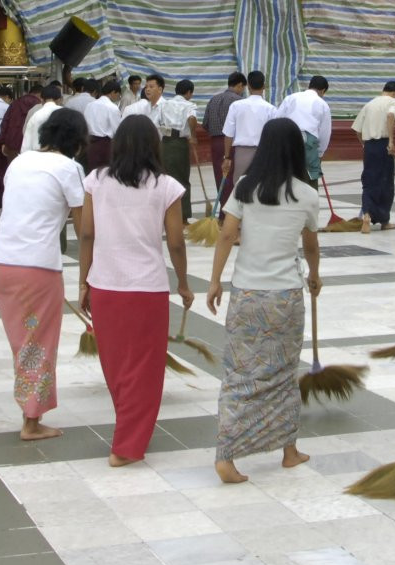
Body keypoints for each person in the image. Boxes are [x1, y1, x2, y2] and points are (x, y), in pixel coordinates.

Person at [208, 117, 323, 484]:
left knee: (240, 374)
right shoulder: (307, 194)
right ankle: (288, 450)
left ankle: (227, 455)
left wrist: (214, 282)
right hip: (285, 297)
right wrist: (314, 274)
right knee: (284, 372)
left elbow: (227, 236)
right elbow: (311, 243)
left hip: (247, 294)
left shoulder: (244, 187)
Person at [81, 115, 191, 467]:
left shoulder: (97, 180)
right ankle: (126, 445)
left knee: (115, 364)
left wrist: (83, 280)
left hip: (105, 285)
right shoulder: (165, 186)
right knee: (144, 367)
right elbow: (175, 241)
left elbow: (86, 234)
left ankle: (128, 430)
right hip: (146, 288)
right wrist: (184, 282)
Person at [0, 107, 90, 442]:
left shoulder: (19, 162)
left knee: (22, 341)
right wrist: (88, 273)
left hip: (3, 260)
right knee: (37, 341)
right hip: (37, 265)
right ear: (76, 140)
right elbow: (83, 226)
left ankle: (29, 408)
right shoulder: (69, 168)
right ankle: (31, 420)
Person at [147, 76, 204, 222]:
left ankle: (164, 215)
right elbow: (192, 119)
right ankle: (182, 218)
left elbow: (155, 123)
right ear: (189, 92)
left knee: (165, 179)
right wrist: (193, 136)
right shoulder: (188, 105)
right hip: (179, 143)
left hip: (164, 142)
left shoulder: (164, 104)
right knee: (181, 180)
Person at [353, 81, 395, 232]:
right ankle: (384, 221)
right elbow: (390, 115)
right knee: (385, 183)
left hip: (369, 146)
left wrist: (364, 145)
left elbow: (357, 129)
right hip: (384, 146)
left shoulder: (370, 104)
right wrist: (391, 141)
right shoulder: (394, 102)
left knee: (369, 181)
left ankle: (367, 215)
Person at [220, 70, 276, 194]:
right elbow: (275, 137)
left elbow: (229, 134)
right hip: (264, 153)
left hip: (242, 153)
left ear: (248, 86)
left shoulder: (236, 106)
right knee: (261, 188)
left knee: (240, 189)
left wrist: (227, 157)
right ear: (264, 86)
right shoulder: (271, 109)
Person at [274, 76, 333, 184]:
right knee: (310, 180)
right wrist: (320, 154)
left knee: (286, 177)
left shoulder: (291, 98)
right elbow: (325, 133)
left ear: (309, 86)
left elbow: (277, 120)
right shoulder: (322, 104)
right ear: (323, 90)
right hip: (309, 141)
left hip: (288, 139)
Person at [203, 73, 247, 193]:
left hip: (215, 143)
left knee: (220, 175)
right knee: (233, 176)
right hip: (233, 143)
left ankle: (223, 209)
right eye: (243, 88)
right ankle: (232, 210)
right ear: (240, 85)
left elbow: (205, 123)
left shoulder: (213, 99)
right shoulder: (240, 101)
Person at [84, 78, 124, 170]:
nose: (118, 97)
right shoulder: (112, 107)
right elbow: (117, 130)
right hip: (105, 144)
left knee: (93, 172)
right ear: (113, 92)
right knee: (105, 173)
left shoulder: (90, 105)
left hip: (90, 144)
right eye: (118, 94)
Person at [1, 81, 44, 159]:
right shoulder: (40, 106)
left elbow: (5, 123)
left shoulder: (15, 103)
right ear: (40, 95)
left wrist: (3, 142)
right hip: (32, 145)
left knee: (14, 168)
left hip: (12, 144)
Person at [20, 83, 64, 156]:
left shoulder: (34, 113)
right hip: (62, 157)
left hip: (38, 156)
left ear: (41, 99)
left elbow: (26, 135)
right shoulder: (66, 113)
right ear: (59, 99)